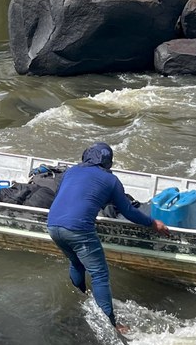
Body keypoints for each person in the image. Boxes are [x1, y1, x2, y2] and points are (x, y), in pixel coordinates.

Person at [46, 142, 169, 334]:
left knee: (76, 262)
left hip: (53, 225)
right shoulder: (111, 181)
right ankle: (112, 324)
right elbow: (128, 211)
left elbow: (69, 194)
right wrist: (153, 224)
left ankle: (81, 296)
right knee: (100, 274)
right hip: (78, 229)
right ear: (108, 162)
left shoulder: (70, 172)